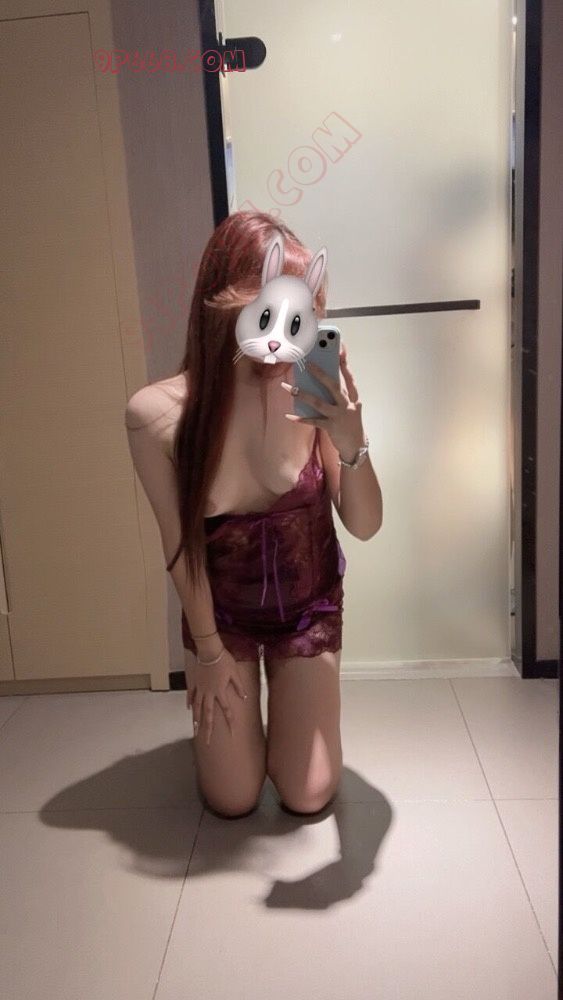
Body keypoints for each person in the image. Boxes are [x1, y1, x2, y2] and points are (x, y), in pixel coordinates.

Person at [125, 211, 382, 820]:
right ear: (224, 306)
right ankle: (244, 728)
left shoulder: (311, 377)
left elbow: (365, 524)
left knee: (308, 792)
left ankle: (295, 711)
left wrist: (352, 440)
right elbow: (179, 546)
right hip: (223, 620)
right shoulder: (156, 413)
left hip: (308, 608)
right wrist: (208, 652)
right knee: (233, 798)